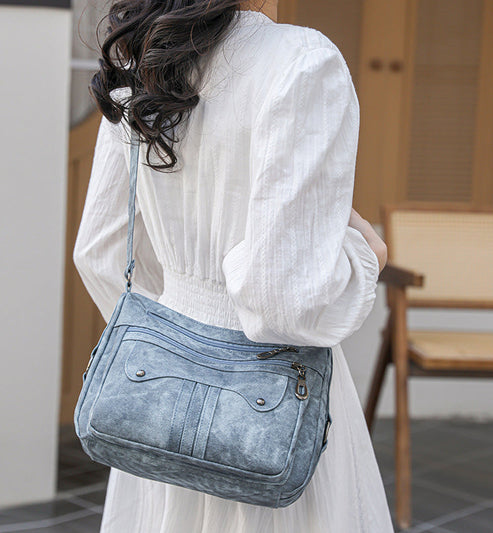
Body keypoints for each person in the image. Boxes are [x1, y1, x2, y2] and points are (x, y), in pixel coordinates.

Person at [73, 0, 392, 531]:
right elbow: (283, 300)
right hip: (271, 413)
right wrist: (366, 258)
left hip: (158, 413)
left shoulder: (143, 62)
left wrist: (175, 350)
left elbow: (99, 254)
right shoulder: (302, 61)